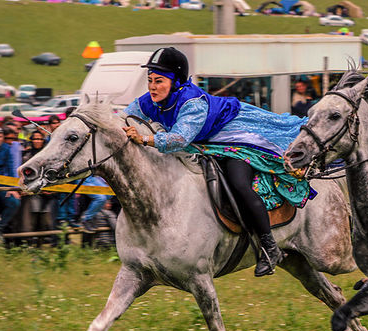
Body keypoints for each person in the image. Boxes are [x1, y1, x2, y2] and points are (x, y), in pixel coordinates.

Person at [123, 47, 312, 276]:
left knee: (239, 183)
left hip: (235, 136)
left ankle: (269, 247)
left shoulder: (193, 103)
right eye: (150, 80)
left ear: (175, 82)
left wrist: (143, 138)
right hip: (205, 144)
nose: (152, 86)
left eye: (159, 81)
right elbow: (122, 117)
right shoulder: (151, 100)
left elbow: (179, 139)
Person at [0, 127, 21, 243]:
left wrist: (12, 188)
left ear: (2, 138)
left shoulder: (7, 149)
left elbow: (10, 168)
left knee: (14, 202)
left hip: (1, 184)